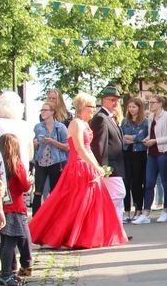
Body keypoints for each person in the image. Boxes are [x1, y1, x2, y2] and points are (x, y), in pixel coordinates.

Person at [29, 93, 128, 250]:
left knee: (90, 203)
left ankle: (87, 234)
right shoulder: (75, 123)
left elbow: (89, 149)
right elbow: (80, 148)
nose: (93, 110)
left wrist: (98, 167)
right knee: (74, 202)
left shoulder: (85, 124)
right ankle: (58, 233)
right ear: (82, 107)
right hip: (78, 166)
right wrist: (96, 167)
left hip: (87, 165)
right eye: (91, 107)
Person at [90, 86, 127, 222]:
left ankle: (117, 229)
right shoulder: (101, 118)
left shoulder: (110, 117)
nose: (115, 103)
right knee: (118, 193)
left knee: (117, 197)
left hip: (115, 164)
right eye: (112, 100)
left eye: (117, 100)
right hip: (109, 167)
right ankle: (109, 225)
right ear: (104, 100)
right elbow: (100, 145)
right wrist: (103, 167)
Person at [0, 134, 31, 286]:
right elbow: (25, 186)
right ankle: (6, 275)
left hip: (2, 208)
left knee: (5, 242)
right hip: (15, 208)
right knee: (10, 243)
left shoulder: (1, 166)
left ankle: (6, 272)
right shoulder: (16, 164)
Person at [141, 94, 167, 223]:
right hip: (151, 153)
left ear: (160, 104)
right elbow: (151, 133)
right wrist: (147, 139)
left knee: (165, 181)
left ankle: (165, 211)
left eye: (153, 102)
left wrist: (156, 141)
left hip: (164, 152)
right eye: (150, 102)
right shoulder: (151, 117)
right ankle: (145, 213)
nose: (151, 105)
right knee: (149, 182)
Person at [31, 102, 69, 213]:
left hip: (56, 162)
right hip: (41, 162)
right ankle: (35, 218)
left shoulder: (60, 127)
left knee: (55, 191)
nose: (42, 112)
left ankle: (54, 217)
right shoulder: (38, 127)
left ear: (52, 112)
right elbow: (35, 143)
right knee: (38, 191)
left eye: (45, 110)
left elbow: (67, 147)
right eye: (42, 110)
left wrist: (52, 141)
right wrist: (35, 143)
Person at [120, 97, 149, 223]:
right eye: (130, 107)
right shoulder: (125, 121)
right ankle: (126, 211)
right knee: (126, 181)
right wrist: (132, 138)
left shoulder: (145, 121)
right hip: (127, 152)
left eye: (134, 107)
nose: (131, 109)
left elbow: (141, 137)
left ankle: (138, 209)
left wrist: (132, 138)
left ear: (139, 108)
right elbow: (121, 136)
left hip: (139, 153)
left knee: (137, 182)